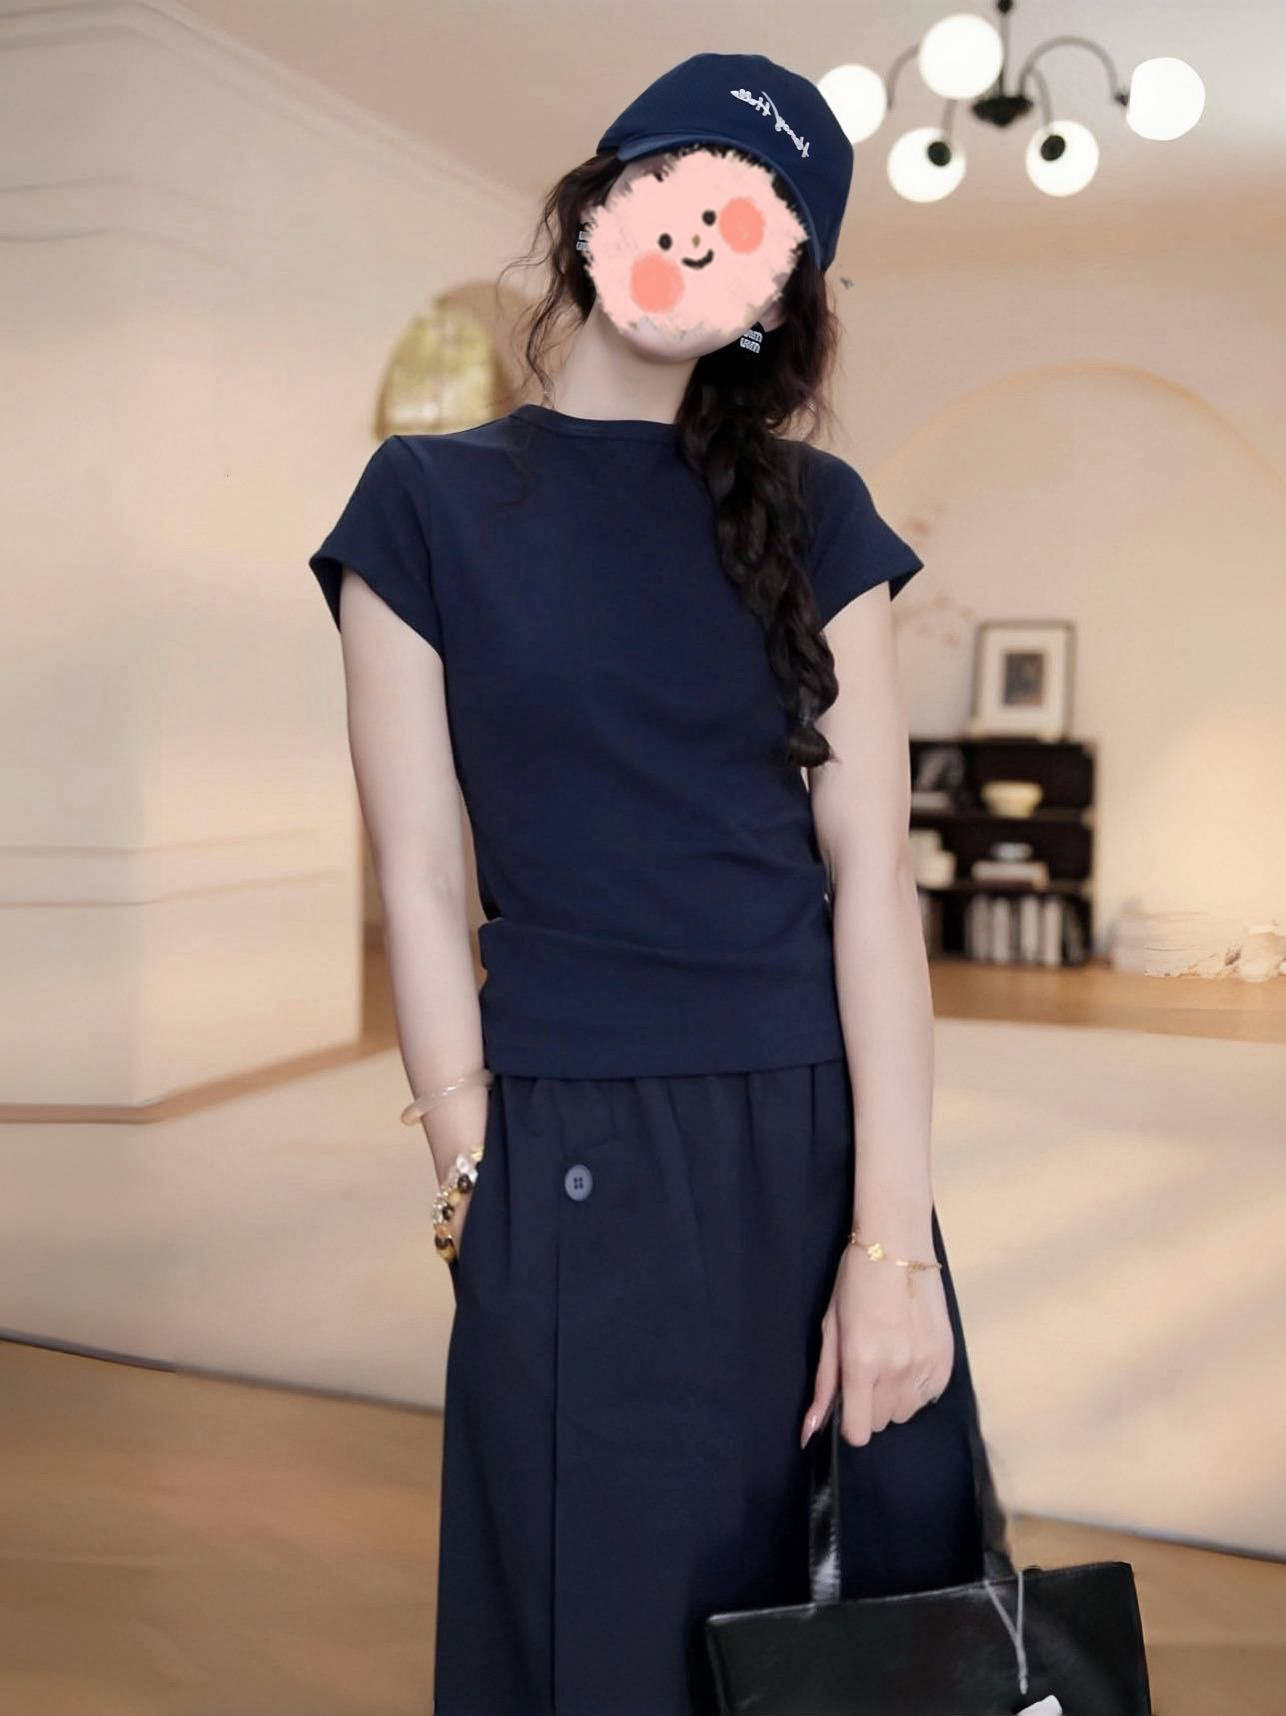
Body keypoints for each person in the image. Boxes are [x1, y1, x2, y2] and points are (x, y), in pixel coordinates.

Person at [309, 50, 991, 1716]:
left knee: (855, 1647)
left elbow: (869, 882)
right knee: (593, 1639)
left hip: (810, 1140)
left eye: (746, 227)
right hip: (566, 1141)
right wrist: (469, 1169)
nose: (694, 238)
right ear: (593, 209)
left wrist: (890, 1246)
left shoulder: (820, 518)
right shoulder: (423, 506)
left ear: (775, 300)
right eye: (670, 190)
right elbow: (418, 868)